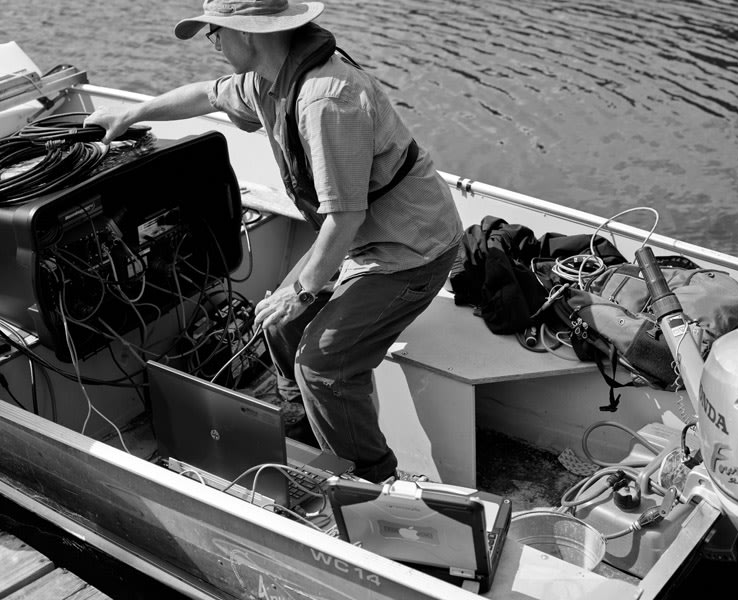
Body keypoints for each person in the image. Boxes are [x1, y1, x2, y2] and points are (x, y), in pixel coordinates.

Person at [85, 0, 463, 483]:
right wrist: (131, 113)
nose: (214, 43)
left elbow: (344, 219)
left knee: (323, 366)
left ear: (249, 34)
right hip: (362, 243)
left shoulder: (326, 100)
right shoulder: (269, 78)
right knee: (279, 327)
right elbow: (206, 95)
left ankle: (369, 480)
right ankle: (304, 425)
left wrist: (298, 291)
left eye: (216, 33)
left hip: (410, 250)